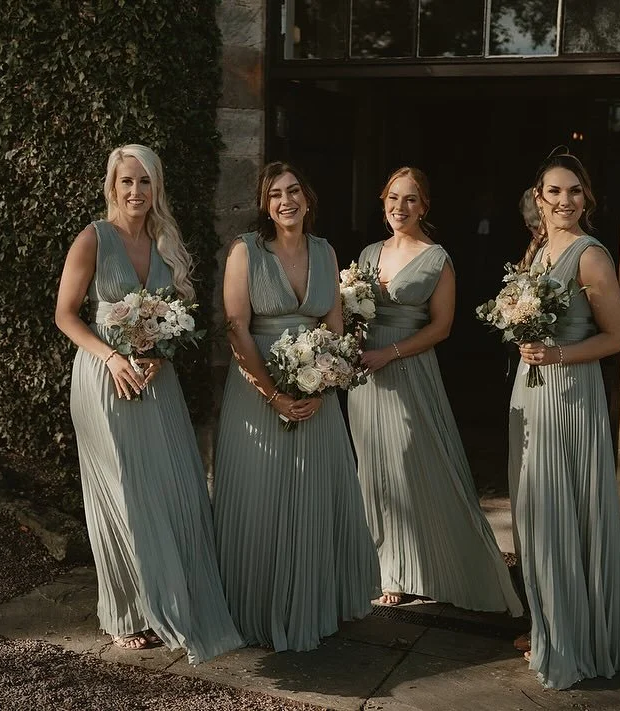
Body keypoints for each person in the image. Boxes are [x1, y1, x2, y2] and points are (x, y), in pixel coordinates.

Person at [54, 144, 243, 662]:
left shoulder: (165, 244)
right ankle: (124, 613)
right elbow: (66, 315)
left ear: (156, 187)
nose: (135, 192)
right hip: (104, 379)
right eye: (126, 182)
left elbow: (171, 322)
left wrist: (159, 355)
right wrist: (112, 359)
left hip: (157, 381)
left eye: (144, 182)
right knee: (122, 495)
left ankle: (173, 597)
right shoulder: (93, 239)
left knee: (172, 487)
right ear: (112, 187)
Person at [212, 161, 380, 652]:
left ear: (307, 198)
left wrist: (323, 378)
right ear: (266, 205)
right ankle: (257, 608)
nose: (285, 201)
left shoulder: (325, 251)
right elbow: (236, 328)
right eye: (274, 195)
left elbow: (334, 327)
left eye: (293, 192)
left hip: (316, 394)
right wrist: (274, 394)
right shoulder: (246, 252)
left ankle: (310, 601)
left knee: (314, 494)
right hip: (256, 392)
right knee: (261, 498)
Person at [347, 167, 523, 616]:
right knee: (373, 468)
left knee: (412, 462)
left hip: (408, 368)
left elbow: (442, 327)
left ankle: (428, 566)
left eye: (409, 200)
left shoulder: (437, 258)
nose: (398, 208)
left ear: (424, 206)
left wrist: (391, 353)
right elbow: (353, 313)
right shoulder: (369, 252)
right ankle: (387, 567)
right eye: (392, 198)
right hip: (365, 374)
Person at [509, 149, 620, 689]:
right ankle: (547, 618)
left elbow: (615, 338)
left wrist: (558, 356)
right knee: (534, 509)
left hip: (569, 393)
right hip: (531, 389)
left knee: (563, 506)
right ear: (538, 198)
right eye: (555, 191)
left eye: (575, 191)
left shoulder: (589, 255)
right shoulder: (538, 249)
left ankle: (571, 633)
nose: (565, 200)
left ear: (586, 198)